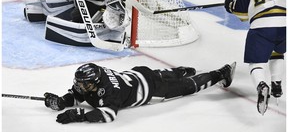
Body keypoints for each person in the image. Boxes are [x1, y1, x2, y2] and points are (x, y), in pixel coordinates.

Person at [44, 62, 236, 124]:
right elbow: (77, 95)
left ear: (94, 82)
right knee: (164, 74)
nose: (80, 86)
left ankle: (221, 73)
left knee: (188, 87)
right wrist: (62, 101)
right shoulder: (93, 80)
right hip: (138, 73)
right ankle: (181, 70)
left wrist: (79, 116)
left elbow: (109, 115)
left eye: (83, 83)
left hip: (152, 90)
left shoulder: (110, 91)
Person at [224, 0, 286, 115]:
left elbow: (241, 13)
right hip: (283, 25)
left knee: (256, 63)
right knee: (277, 53)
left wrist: (230, 4)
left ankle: (261, 85)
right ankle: (276, 84)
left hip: (261, 26)